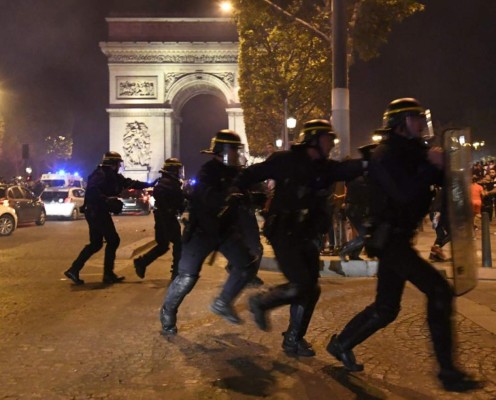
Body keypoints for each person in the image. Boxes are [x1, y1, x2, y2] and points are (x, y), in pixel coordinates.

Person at [326, 98, 481, 392]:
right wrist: (430, 166)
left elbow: (445, 180)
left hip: (398, 239)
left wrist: (450, 165)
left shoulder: (414, 153)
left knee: (386, 308)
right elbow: (403, 194)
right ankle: (448, 372)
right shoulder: (385, 155)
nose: (422, 124)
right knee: (439, 291)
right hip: (390, 239)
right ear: (400, 123)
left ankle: (342, 343)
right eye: (416, 118)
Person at [233, 119, 364, 357]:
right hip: (284, 233)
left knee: (311, 289)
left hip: (307, 234)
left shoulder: (326, 167)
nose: (332, 142)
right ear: (313, 139)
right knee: (302, 283)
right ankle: (261, 302)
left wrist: (371, 160)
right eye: (328, 138)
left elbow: (348, 169)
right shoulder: (285, 161)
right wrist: (238, 194)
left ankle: (293, 339)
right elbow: (250, 175)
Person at [159, 130, 257, 334]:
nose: (237, 154)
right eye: (233, 149)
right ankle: (168, 311)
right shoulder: (207, 171)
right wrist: (227, 196)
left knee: (246, 266)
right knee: (187, 277)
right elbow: (207, 197)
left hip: (225, 232)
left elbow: (245, 195)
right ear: (222, 151)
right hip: (200, 233)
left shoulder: (236, 173)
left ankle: (223, 302)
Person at [64, 151, 153, 285]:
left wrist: (148, 184)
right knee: (113, 240)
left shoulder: (111, 175)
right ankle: (107, 274)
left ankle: (75, 269)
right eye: (118, 163)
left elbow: (129, 183)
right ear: (112, 164)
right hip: (96, 211)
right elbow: (93, 191)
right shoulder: (100, 174)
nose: (119, 166)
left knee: (96, 244)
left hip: (96, 211)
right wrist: (107, 200)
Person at [134, 158, 186, 281]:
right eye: (177, 169)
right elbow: (170, 199)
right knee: (177, 243)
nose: (179, 172)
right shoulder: (166, 183)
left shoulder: (167, 182)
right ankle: (176, 271)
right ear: (172, 170)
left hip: (164, 217)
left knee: (164, 245)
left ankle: (142, 262)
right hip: (166, 218)